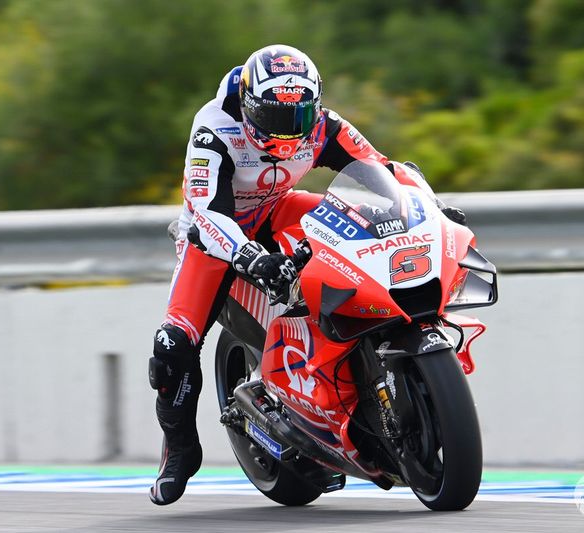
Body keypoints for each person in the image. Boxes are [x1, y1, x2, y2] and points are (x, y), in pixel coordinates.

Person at [147, 44, 466, 505]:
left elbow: (381, 171)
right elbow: (205, 212)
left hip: (280, 210)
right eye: (277, 119)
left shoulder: (322, 124)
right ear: (251, 107)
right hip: (217, 234)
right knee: (172, 345)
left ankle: (347, 354)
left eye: (299, 118)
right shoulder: (214, 130)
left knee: (366, 226)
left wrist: (427, 208)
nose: (288, 133)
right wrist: (250, 257)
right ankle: (179, 451)